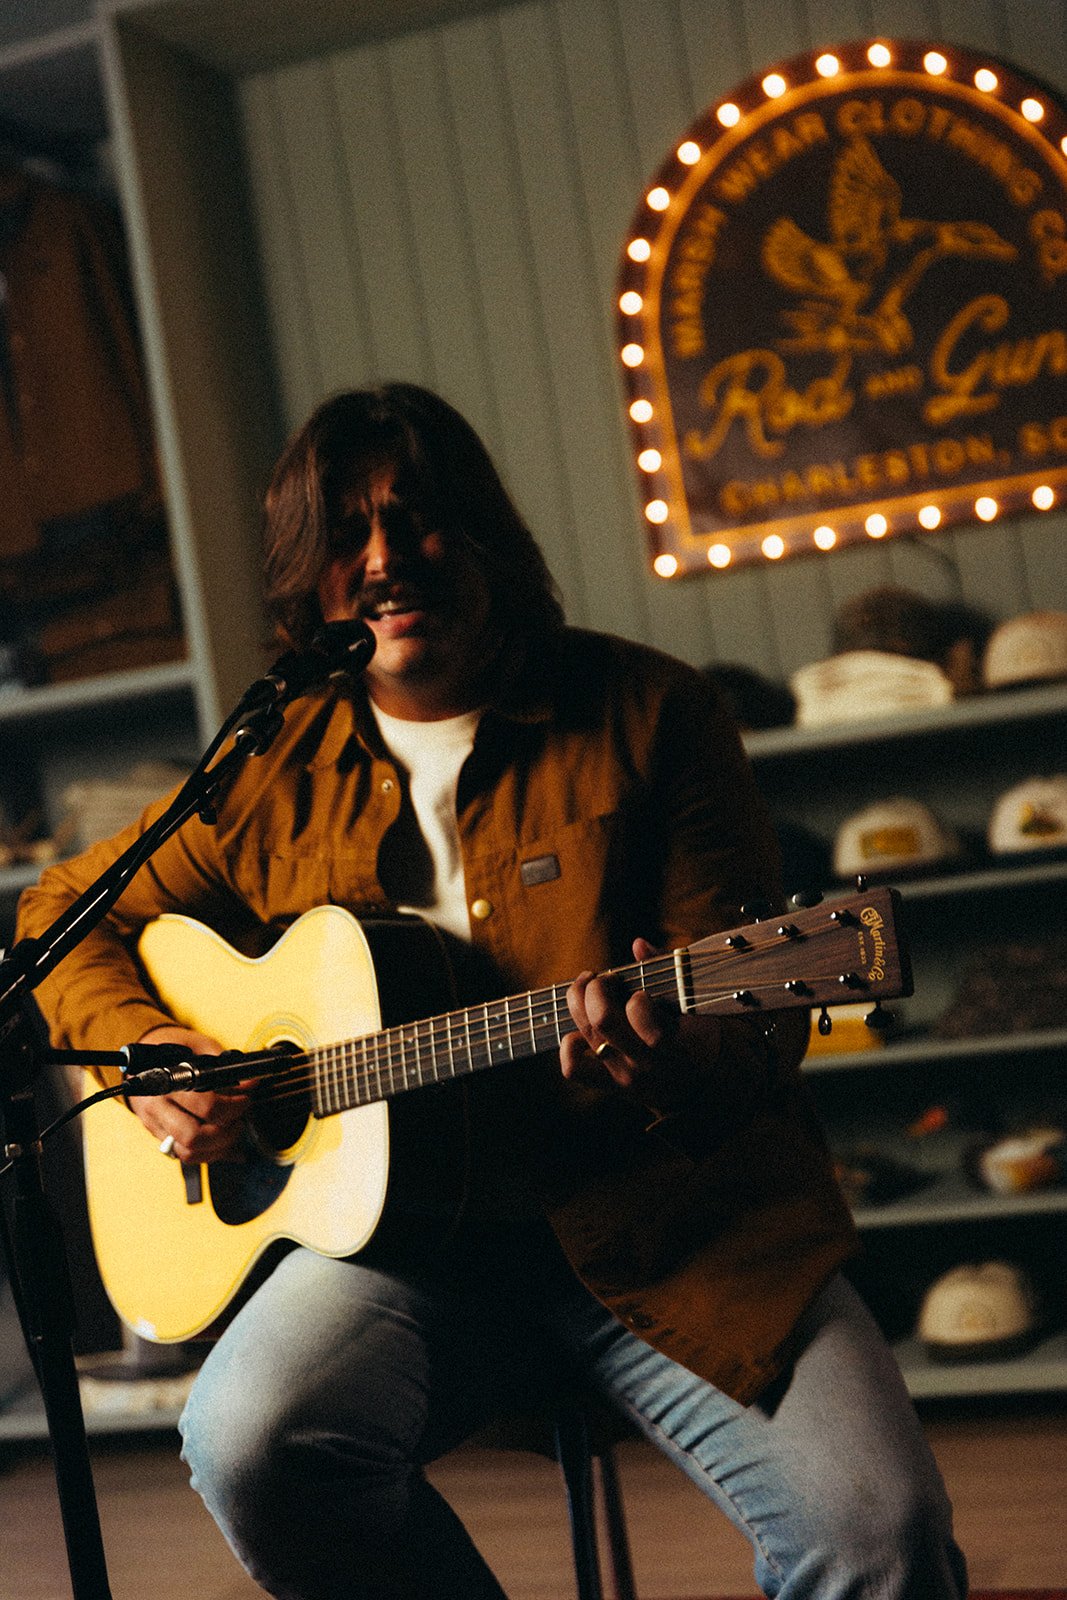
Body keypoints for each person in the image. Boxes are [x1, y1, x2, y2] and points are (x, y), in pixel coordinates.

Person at [18, 384, 966, 1599]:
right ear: (309, 580)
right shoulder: (274, 768)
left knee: (878, 1529)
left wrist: (663, 1057)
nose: (382, 561)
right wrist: (152, 1046)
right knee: (247, 1442)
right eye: (345, 537)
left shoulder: (651, 715)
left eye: (413, 521)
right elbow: (59, 913)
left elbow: (758, 1035)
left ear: (482, 538)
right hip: (408, 1248)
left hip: (673, 1220)